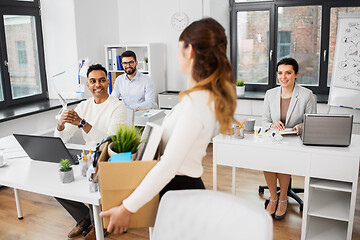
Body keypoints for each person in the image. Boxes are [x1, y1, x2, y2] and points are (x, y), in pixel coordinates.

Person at [99, 18, 237, 234]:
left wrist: (127, 208)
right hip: (178, 191)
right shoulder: (200, 98)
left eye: (178, 48)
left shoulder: (196, 103)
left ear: (189, 50)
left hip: (181, 193)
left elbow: (168, 165)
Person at [54, 64, 127, 240]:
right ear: (87, 85)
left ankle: (100, 224)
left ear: (108, 82)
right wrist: (60, 125)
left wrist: (82, 123)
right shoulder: (83, 106)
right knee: (58, 182)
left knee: (94, 187)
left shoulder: (118, 107)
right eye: (93, 81)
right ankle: (85, 218)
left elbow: (109, 141)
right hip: (87, 157)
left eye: (102, 80)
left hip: (109, 157)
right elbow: (63, 138)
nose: (98, 84)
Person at [262, 57, 317, 220]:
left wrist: (300, 127)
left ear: (296, 74)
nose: (283, 77)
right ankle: (273, 197)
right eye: (280, 73)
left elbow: (312, 121)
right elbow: (264, 120)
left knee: (282, 160)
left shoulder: (307, 95)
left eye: (288, 73)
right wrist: (272, 125)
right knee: (267, 159)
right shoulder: (270, 94)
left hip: (295, 142)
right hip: (274, 139)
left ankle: (283, 197)